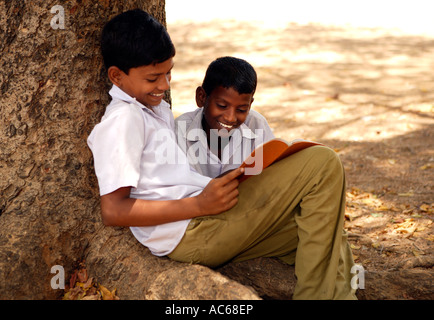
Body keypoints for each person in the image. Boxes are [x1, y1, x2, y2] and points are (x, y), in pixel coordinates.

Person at [87, 9, 357, 300]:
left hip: (205, 222)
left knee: (326, 231)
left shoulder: (153, 109)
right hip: (191, 230)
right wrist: (200, 204)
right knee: (323, 163)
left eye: (168, 73)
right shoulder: (124, 119)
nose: (164, 86)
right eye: (153, 78)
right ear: (116, 76)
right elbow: (113, 211)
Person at [175, 56, 275, 178]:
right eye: (222, 106)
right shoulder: (179, 131)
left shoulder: (256, 124)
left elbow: (272, 172)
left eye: (241, 110)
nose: (230, 118)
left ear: (250, 105)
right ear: (201, 97)